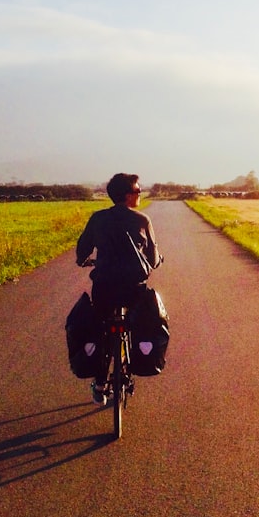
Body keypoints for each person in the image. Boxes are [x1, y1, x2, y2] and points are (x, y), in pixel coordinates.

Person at [76, 172, 162, 404]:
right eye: (137, 190)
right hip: (134, 290)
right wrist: (154, 260)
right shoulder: (143, 220)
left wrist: (84, 260)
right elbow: (153, 259)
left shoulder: (98, 219)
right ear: (127, 195)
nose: (140, 193)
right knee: (137, 325)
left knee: (102, 330)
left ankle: (101, 382)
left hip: (104, 288)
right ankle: (132, 365)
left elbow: (82, 250)